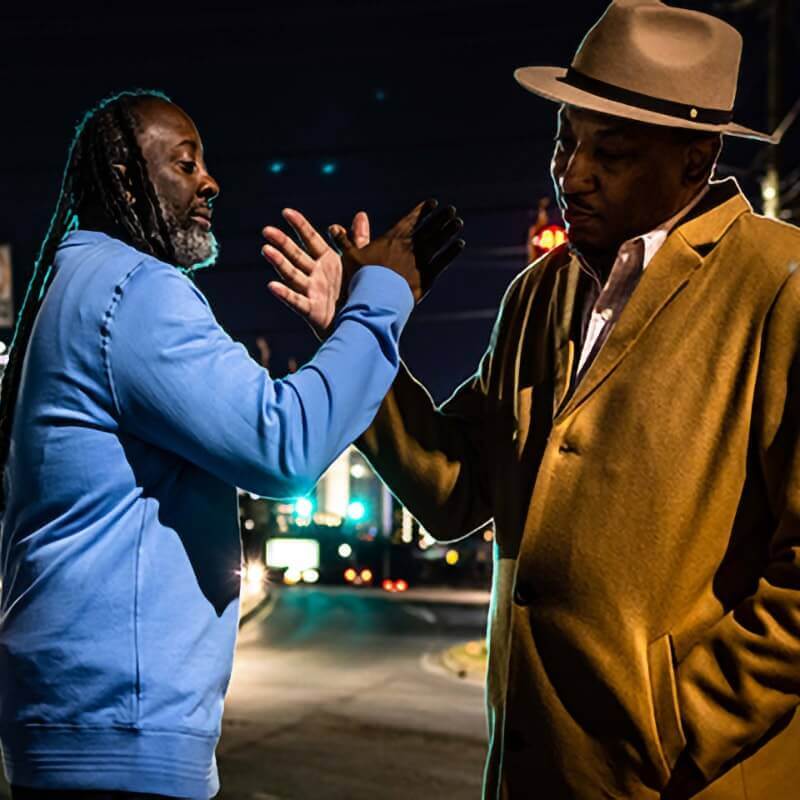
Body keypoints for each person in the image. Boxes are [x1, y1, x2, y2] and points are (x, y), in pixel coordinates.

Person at [281, 1, 800, 797]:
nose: (572, 173)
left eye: (612, 154)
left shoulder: (778, 287)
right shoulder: (540, 292)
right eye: (566, 140)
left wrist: (673, 728)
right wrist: (356, 339)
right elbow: (457, 490)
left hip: (687, 780)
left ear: (696, 162)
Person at [0, 89, 462, 798]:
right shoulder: (134, 292)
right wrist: (382, 296)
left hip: (78, 728)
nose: (211, 181)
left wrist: (346, 325)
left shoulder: (75, 283)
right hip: (121, 744)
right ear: (125, 179)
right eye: (186, 165)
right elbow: (283, 447)